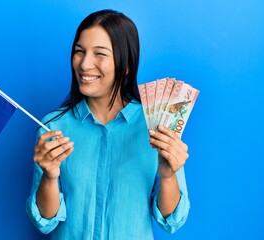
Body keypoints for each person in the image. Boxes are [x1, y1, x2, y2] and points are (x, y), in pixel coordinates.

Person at [27, 9, 190, 239]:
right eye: (79, 51)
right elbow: (45, 220)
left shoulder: (157, 125)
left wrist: (167, 175)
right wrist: (50, 177)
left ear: (126, 66)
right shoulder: (53, 126)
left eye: (100, 54)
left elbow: (171, 220)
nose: (84, 64)